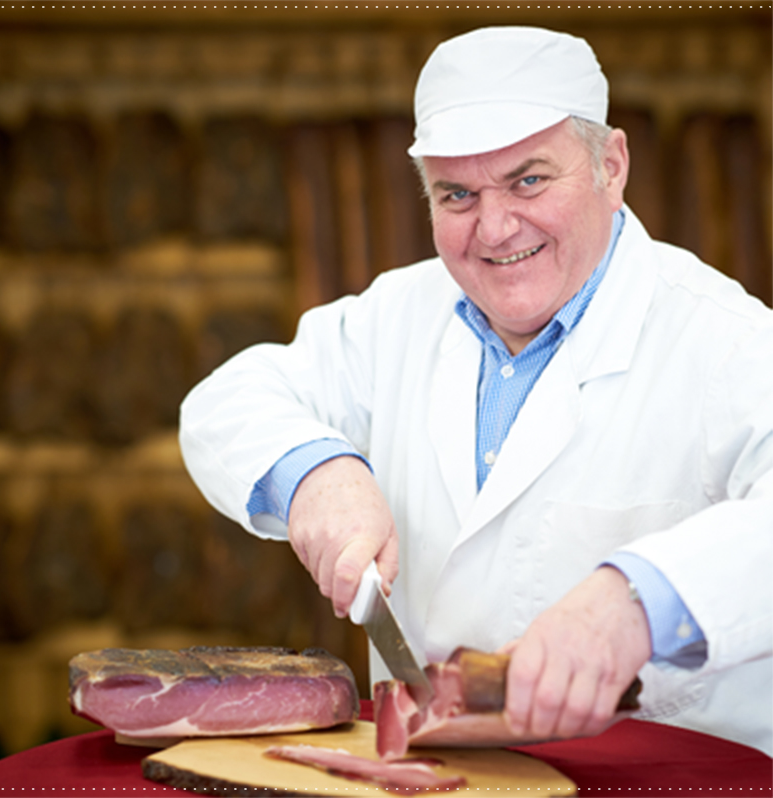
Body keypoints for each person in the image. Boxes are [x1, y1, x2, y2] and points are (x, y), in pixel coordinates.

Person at [179, 26, 772, 755]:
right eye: (457, 194)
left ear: (611, 165)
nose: (494, 227)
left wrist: (636, 603)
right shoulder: (398, 315)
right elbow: (224, 401)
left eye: (529, 180)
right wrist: (314, 474)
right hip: (436, 772)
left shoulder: (729, 342)